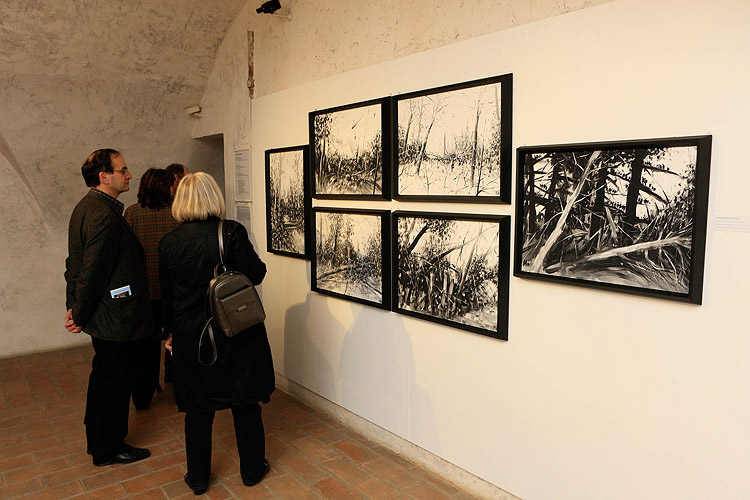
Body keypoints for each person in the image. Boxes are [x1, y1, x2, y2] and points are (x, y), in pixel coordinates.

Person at [159, 172, 274, 494]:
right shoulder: (231, 232)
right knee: (245, 400)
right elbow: (257, 273)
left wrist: (168, 335)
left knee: (198, 407)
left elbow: (166, 296)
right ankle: (252, 470)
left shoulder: (169, 242)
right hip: (236, 328)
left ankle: (197, 478)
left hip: (192, 335)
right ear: (214, 197)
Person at [64, 148, 153, 466]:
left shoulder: (89, 207)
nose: (129, 175)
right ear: (105, 177)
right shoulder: (101, 213)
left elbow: (74, 265)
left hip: (106, 314)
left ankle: (100, 441)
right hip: (115, 317)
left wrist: (75, 307)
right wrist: (79, 312)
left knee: (105, 378)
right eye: (123, 170)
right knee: (113, 383)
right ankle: (108, 447)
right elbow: (90, 270)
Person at [123, 168, 180, 406]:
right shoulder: (177, 214)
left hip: (143, 291)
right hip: (172, 290)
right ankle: (180, 390)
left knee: (144, 347)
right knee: (176, 339)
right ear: (167, 187)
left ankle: (142, 397)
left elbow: (126, 254)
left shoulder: (132, 214)